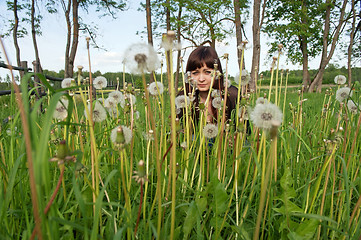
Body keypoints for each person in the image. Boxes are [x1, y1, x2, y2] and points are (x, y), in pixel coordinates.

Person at [177, 46, 240, 126]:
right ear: (188, 75)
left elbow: (246, 133)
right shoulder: (183, 99)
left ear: (217, 72)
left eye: (207, 72)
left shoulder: (232, 96)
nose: (201, 79)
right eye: (195, 73)